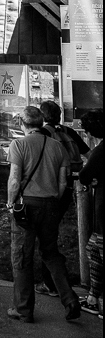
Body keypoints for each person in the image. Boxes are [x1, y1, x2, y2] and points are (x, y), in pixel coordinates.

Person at [6, 106, 81, 323]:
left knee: (22, 255)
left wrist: (11, 202)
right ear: (40, 123)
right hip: (50, 205)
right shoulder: (58, 147)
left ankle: (23, 309)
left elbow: (14, 179)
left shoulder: (18, 144)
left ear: (23, 124)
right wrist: (53, 200)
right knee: (50, 253)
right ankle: (69, 299)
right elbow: (62, 182)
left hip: (27, 205)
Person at [34, 100, 90, 298]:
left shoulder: (44, 134)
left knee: (47, 237)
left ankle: (51, 284)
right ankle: (54, 281)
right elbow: (87, 154)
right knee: (51, 232)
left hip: (50, 188)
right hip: (68, 186)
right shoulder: (68, 131)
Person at [77, 109, 103, 317]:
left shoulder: (101, 150)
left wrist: (94, 178)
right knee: (93, 249)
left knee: (97, 249)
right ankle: (94, 296)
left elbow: (85, 175)